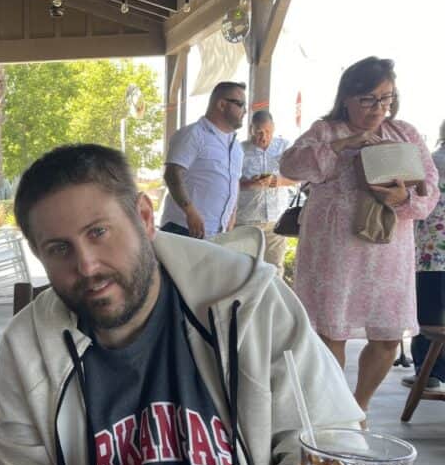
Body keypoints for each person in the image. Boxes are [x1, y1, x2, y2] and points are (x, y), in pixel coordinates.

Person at [0, 143, 362, 465]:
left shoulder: (251, 300)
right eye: (59, 249)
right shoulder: (27, 346)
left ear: (145, 218)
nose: (87, 265)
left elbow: (333, 448)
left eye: (99, 232)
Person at [280, 57, 440, 414]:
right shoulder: (325, 131)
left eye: (386, 99)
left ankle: (359, 407)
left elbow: (430, 190)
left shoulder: (406, 133)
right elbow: (291, 165)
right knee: (330, 333)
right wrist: (346, 144)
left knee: (386, 336)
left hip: (388, 254)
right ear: (347, 97)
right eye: (369, 99)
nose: (378, 108)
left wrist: (406, 198)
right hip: (334, 251)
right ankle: (336, 410)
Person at [160, 81, 247, 239]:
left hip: (216, 234)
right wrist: (190, 212)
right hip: (182, 229)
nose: (245, 111)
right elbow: (172, 174)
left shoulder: (237, 148)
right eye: (241, 104)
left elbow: (234, 183)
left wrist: (232, 215)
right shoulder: (193, 134)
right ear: (221, 104)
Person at [406, 120, 445, 389]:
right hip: (432, 249)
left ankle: (427, 372)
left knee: (428, 317)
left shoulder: (433, 162)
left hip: (431, 251)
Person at [236, 111, 298, 277]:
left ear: (274, 129)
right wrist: (250, 183)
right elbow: (228, 183)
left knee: (274, 269)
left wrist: (278, 181)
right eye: (259, 132)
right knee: (245, 269)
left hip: (275, 220)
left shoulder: (285, 147)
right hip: (247, 219)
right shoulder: (239, 150)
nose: (263, 137)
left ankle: (272, 302)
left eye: (268, 132)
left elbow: (298, 177)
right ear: (251, 129)